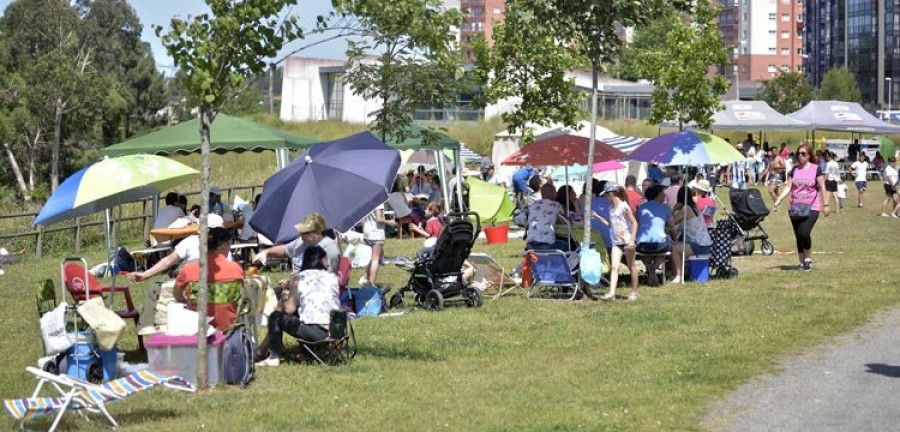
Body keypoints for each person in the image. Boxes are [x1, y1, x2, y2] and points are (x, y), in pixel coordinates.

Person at [255, 246, 340, 367]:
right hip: (337, 329)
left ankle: (274, 357)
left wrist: (285, 298)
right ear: (322, 261)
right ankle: (306, 353)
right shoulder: (332, 277)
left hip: (317, 332)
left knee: (276, 316)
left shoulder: (298, 278)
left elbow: (289, 309)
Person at [773, 143, 830, 271]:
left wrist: (826, 204)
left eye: (803, 153)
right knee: (798, 235)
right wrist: (778, 200)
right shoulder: (794, 170)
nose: (800, 156)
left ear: (809, 155)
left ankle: (808, 259)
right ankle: (800, 262)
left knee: (804, 232)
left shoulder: (816, 169)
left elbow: (822, 187)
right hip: (795, 206)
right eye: (798, 153)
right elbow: (788, 187)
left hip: (812, 206)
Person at [174, 227, 244, 331]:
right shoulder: (236, 269)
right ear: (224, 247)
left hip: (197, 331)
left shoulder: (188, 269)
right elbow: (240, 299)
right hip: (228, 331)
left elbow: (177, 295)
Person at [127, 214, 228, 282]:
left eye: (201, 227)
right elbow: (169, 260)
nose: (197, 231)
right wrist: (144, 275)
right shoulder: (191, 241)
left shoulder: (223, 248)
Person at [592, 183, 638, 301]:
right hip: (616, 242)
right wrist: (598, 217)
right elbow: (610, 225)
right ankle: (611, 293)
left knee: (631, 266)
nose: (605, 197)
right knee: (614, 267)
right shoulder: (611, 208)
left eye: (606, 195)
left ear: (612, 193)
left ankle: (634, 292)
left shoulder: (624, 206)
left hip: (627, 240)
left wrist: (632, 239)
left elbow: (634, 223)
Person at [253, 213, 340, 273]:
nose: (301, 236)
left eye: (305, 232)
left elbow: (327, 279)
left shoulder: (329, 250)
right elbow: (284, 250)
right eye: (301, 232)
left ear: (318, 233)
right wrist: (266, 253)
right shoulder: (302, 242)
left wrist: (292, 285)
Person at [670, 186, 713, 283]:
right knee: (676, 245)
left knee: (673, 248)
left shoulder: (685, 210)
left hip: (699, 245)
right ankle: (675, 273)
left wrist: (674, 208)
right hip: (705, 244)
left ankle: (678, 276)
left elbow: (671, 222)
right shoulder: (695, 207)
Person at [634, 186, 673, 286]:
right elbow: (672, 225)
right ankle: (654, 267)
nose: (664, 195)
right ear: (658, 195)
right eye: (663, 193)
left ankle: (649, 268)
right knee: (667, 242)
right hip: (660, 244)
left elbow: (636, 224)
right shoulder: (665, 207)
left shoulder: (640, 208)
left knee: (645, 252)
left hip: (642, 244)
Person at [525, 184, 566, 250]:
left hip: (530, 243)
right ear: (554, 193)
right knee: (566, 245)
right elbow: (565, 220)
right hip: (546, 243)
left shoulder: (534, 204)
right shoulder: (556, 205)